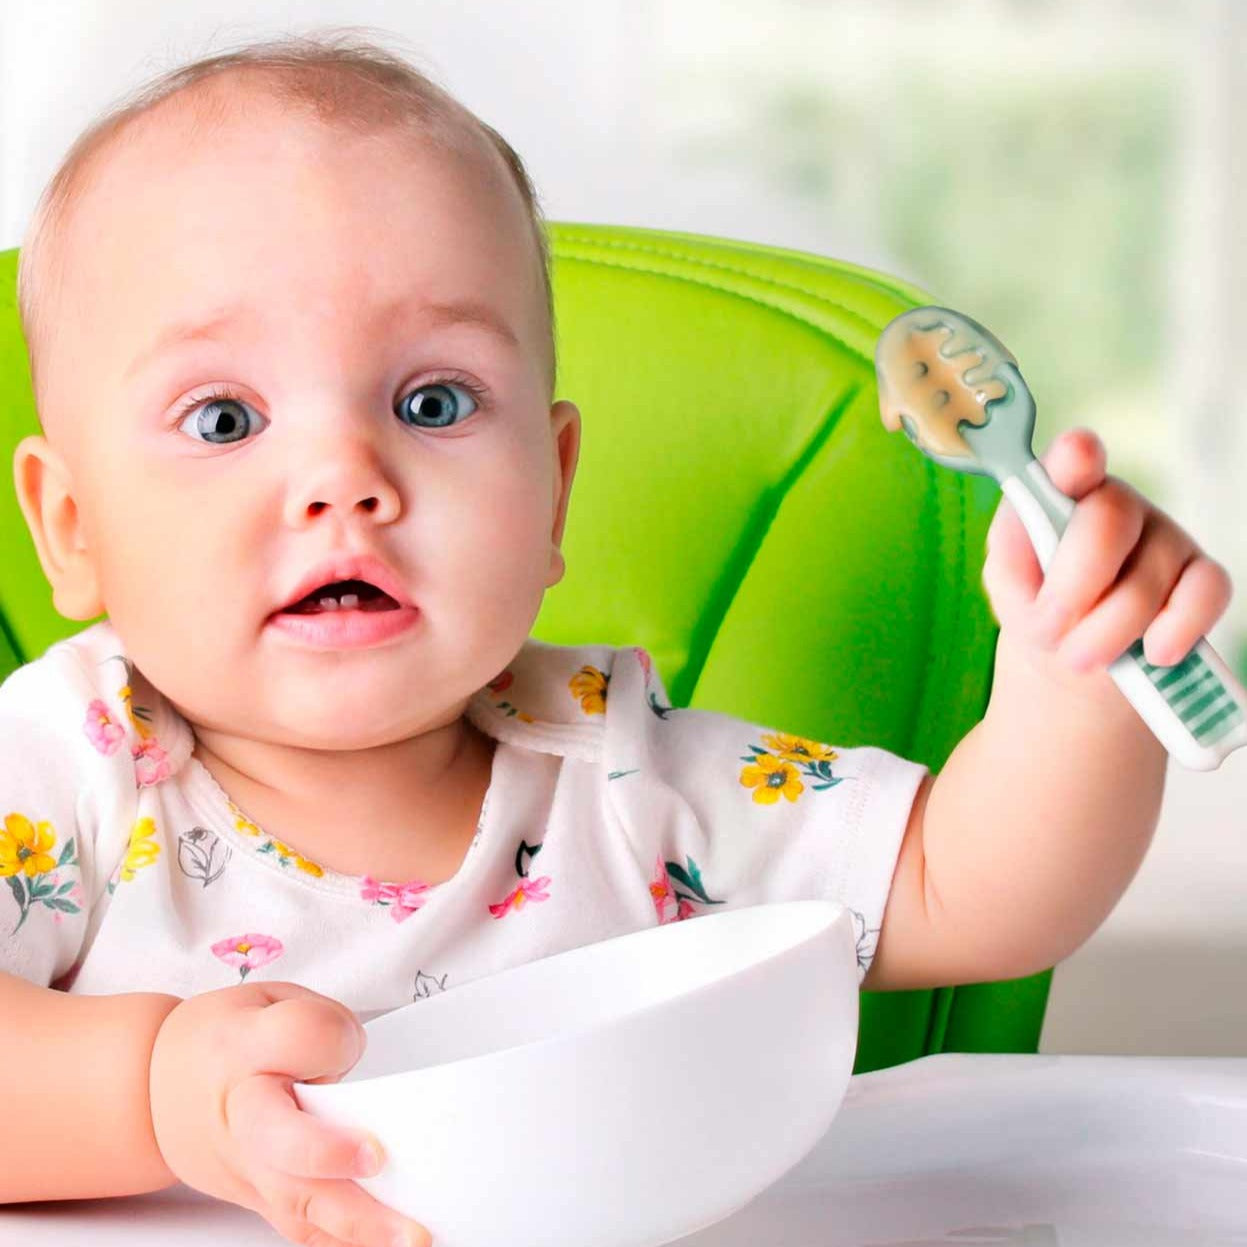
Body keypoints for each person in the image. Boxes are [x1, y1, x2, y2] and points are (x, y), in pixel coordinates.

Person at [0, 28, 1233, 1247]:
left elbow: (967, 894)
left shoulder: (621, 771)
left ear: (551, 491)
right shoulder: (65, 774)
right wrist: (153, 1089)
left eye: (433, 402)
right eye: (224, 418)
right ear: (72, 526)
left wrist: (1075, 674)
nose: (343, 475)